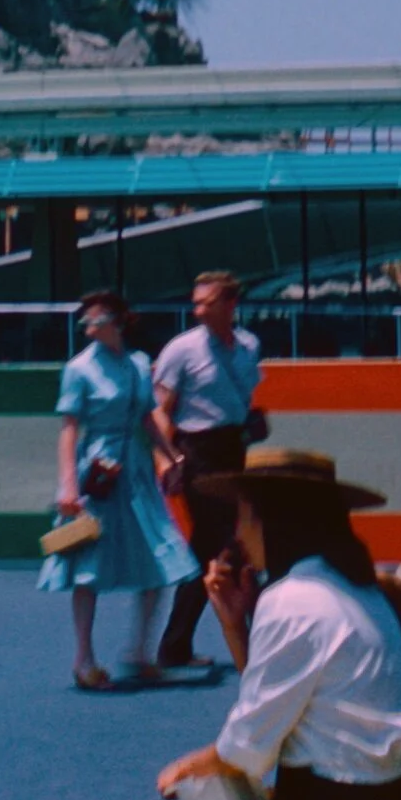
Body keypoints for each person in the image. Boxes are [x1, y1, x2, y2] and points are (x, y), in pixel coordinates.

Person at [156, 448, 401, 800]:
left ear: (268, 520)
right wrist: (236, 625)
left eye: (242, 517)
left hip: (331, 795)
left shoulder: (293, 600)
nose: (237, 534)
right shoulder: (356, 588)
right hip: (394, 792)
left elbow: (249, 744)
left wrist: (186, 768)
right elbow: (282, 704)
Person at [42, 291, 198, 688]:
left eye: (97, 320)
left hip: (136, 470)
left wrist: (171, 455)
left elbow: (148, 417)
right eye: (86, 323)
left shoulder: (138, 364)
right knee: (87, 566)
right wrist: (68, 486)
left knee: (161, 555)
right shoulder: (78, 369)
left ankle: (139, 650)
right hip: (99, 470)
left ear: (117, 321)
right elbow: (69, 429)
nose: (90, 329)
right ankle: (83, 659)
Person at [152, 269, 265, 669]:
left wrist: (250, 422)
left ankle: (179, 644)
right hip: (196, 451)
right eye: (196, 302)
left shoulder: (249, 346)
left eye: (208, 302)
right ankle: (185, 641)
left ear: (230, 305)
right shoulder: (181, 350)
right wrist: (169, 461)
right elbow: (160, 413)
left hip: (234, 448)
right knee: (216, 545)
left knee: (218, 547)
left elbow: (245, 396)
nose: (198, 310)